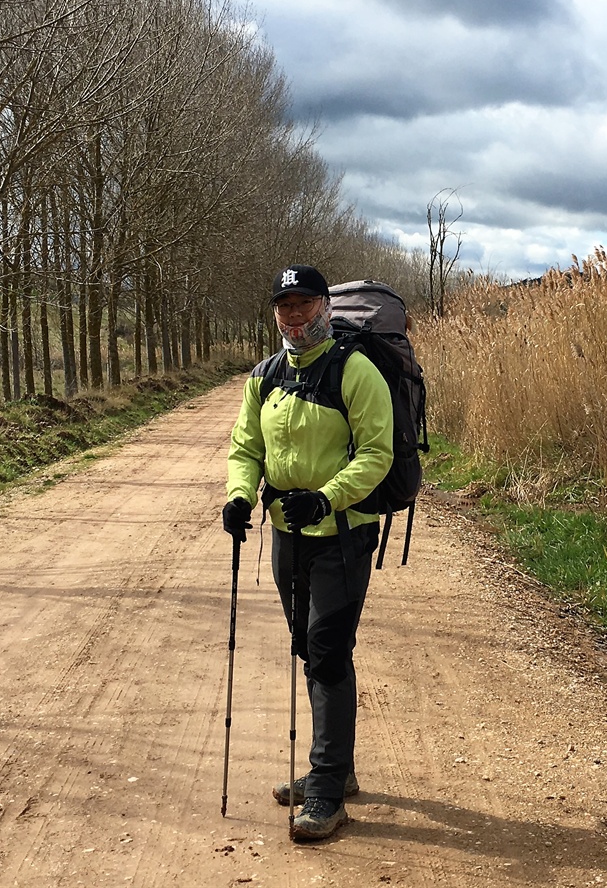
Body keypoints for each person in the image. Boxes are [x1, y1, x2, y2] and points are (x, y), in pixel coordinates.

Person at [222, 264, 393, 842]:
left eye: (304, 304)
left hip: (342, 534)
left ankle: (325, 792)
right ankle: (336, 769)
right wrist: (241, 496)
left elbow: (377, 453)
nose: (294, 316)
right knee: (310, 648)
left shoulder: (354, 369)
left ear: (326, 307)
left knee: (326, 649)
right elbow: (245, 446)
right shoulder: (266, 376)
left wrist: (326, 499)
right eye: (284, 307)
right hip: (286, 536)